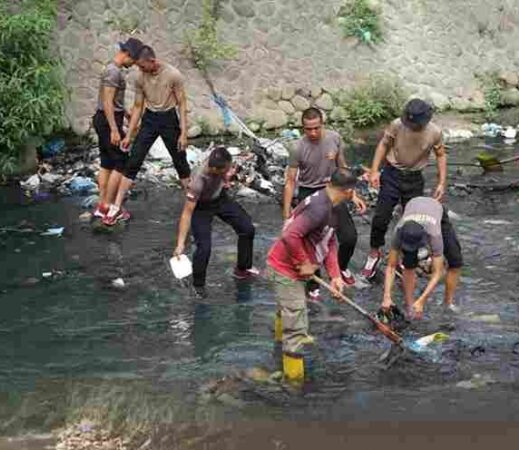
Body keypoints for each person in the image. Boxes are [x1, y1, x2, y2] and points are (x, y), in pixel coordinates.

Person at [266, 168, 358, 383]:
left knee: (288, 312)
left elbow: (329, 240)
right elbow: (289, 234)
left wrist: (335, 275)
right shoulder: (319, 208)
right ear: (349, 191)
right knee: (296, 325)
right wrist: (304, 262)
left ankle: (278, 350)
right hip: (285, 269)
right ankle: (293, 383)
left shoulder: (333, 204)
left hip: (291, 267)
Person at [103, 45, 191, 226]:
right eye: (138, 67)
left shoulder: (173, 75)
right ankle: (116, 206)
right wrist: (129, 135)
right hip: (149, 119)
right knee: (133, 160)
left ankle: (192, 202)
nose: (140, 70)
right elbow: (137, 107)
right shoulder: (139, 77)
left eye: (143, 66)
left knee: (180, 160)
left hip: (169, 119)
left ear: (153, 61)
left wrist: (183, 133)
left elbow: (182, 104)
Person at [361, 99, 447, 281]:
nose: (412, 126)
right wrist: (375, 171)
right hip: (391, 175)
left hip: (415, 179)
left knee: (411, 223)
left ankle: (400, 257)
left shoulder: (435, 132)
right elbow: (383, 145)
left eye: (415, 123)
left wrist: (441, 183)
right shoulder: (397, 125)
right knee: (381, 217)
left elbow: (440, 155)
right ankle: (374, 253)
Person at [282, 107, 367, 289]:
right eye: (308, 129)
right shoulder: (297, 148)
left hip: (333, 191)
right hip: (309, 192)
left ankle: (340, 269)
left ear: (323, 125)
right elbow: (290, 181)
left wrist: (353, 194)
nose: (313, 132)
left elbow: (342, 167)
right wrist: (287, 210)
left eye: (316, 128)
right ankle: (313, 285)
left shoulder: (334, 138)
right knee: (312, 242)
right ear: (303, 128)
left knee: (349, 237)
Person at [173, 146, 259, 297]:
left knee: (247, 228)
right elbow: (187, 213)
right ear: (215, 169)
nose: (228, 170)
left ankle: (242, 269)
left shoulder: (222, 161)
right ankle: (198, 286)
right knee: (204, 248)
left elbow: (227, 170)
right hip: (201, 207)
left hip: (220, 198)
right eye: (225, 170)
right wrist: (180, 244)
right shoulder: (198, 181)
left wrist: (226, 179)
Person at [380, 196, 463, 318]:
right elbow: (391, 266)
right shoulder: (399, 231)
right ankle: (410, 306)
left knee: (455, 262)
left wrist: (422, 300)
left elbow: (438, 273)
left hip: (435, 210)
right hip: (413, 206)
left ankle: (448, 303)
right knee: (409, 264)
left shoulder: (434, 234)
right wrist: (386, 297)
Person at [92, 37, 144, 221]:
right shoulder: (114, 72)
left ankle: (101, 205)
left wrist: (127, 114)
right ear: (128, 54)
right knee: (121, 162)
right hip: (108, 121)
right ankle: (109, 206)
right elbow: (107, 102)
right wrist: (114, 129)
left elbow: (113, 102)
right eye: (134, 59)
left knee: (107, 163)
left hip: (105, 119)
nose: (134, 63)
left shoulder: (112, 69)